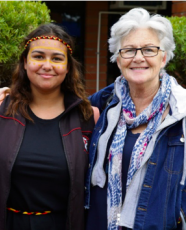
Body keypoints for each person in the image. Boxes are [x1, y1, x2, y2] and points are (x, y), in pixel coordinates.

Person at [0, 23, 97, 230]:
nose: (47, 65)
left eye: (57, 58)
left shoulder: (87, 117)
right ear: (25, 62)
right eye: (39, 56)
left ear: (68, 67)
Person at [84, 8, 186, 230]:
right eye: (129, 50)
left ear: (163, 57)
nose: (138, 58)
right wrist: (8, 94)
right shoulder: (104, 102)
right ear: (118, 59)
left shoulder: (182, 111)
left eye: (149, 49)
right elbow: (54, 106)